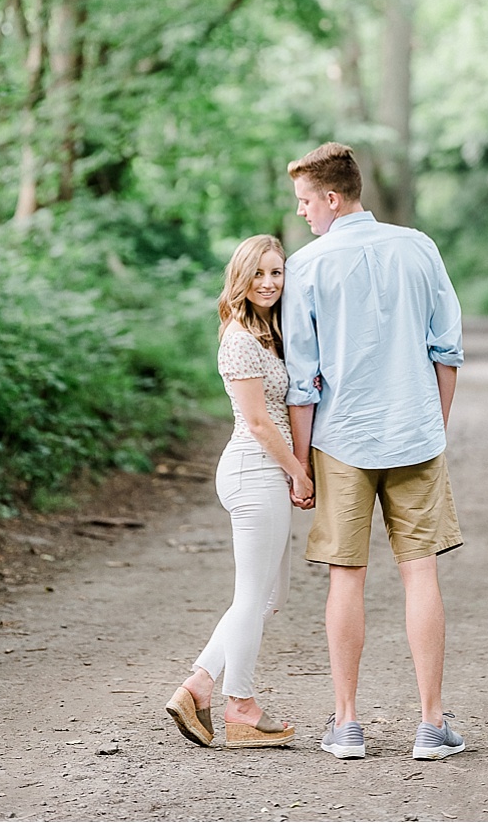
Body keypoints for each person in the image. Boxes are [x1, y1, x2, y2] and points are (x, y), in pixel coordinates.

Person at [282, 142, 466, 762]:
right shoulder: (419, 248)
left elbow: (303, 380)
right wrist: (432, 427)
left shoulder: (307, 266)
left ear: (332, 198)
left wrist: (300, 462)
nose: (304, 213)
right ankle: (432, 725)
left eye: (307, 202)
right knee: (421, 572)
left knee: (347, 576)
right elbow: (446, 350)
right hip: (416, 433)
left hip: (341, 440)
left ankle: (348, 723)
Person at [166, 234, 314, 750]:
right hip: (256, 470)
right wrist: (298, 471)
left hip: (264, 472)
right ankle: (242, 706)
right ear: (241, 277)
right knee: (253, 596)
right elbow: (257, 422)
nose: (270, 283)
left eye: (277, 273)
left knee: (271, 595)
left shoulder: (267, 333)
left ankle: (199, 685)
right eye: (260, 274)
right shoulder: (240, 339)